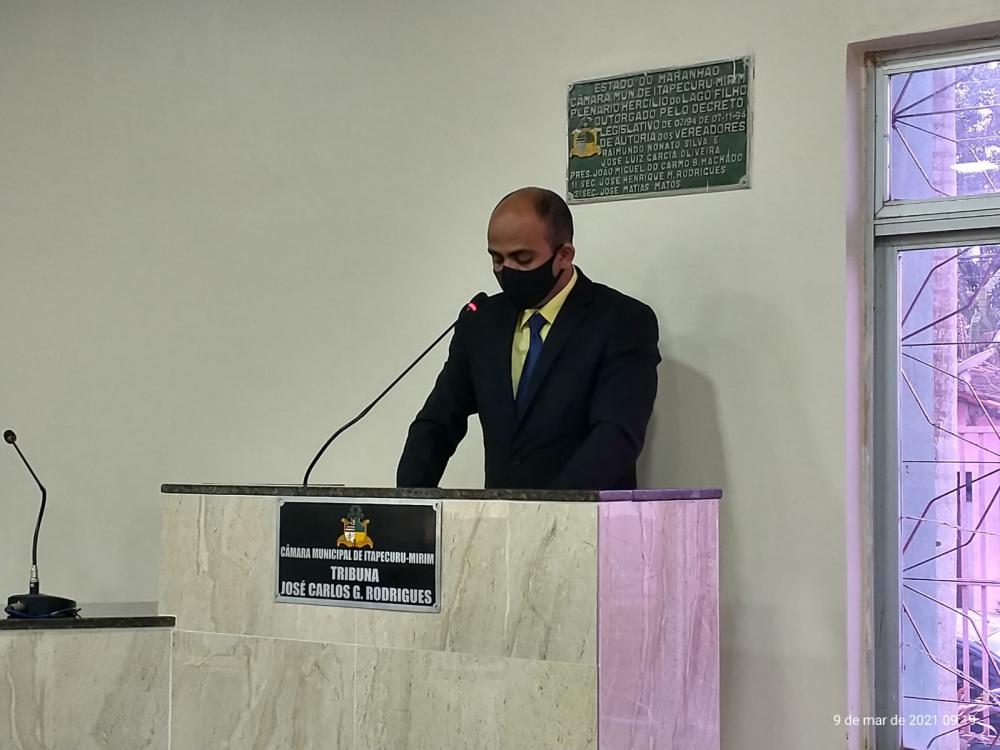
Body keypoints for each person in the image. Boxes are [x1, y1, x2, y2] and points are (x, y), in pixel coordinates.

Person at [396, 187, 660, 490]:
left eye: (522, 259)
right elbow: (437, 423)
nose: (507, 271)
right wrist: (409, 502)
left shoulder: (621, 321)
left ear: (564, 255)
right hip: (499, 517)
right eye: (497, 259)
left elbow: (616, 437)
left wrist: (548, 510)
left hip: (586, 516)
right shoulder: (480, 322)